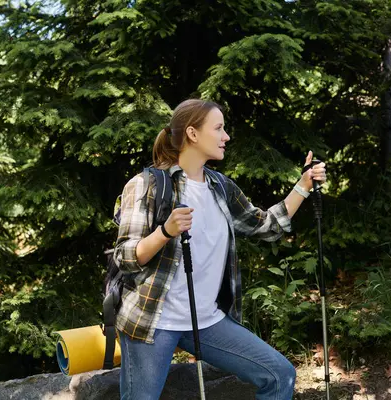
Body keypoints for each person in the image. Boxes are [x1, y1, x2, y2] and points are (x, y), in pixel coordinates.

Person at [113, 99, 327, 400]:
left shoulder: (220, 187)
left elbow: (265, 226)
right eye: (219, 128)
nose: (226, 136)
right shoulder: (147, 185)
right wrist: (165, 232)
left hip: (206, 320)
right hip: (153, 321)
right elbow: (125, 256)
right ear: (192, 134)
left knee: (279, 375)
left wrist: (303, 185)